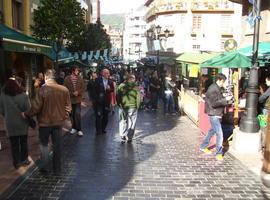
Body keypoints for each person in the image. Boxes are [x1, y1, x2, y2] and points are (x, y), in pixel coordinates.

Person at [24, 69, 71, 174]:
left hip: (44, 123)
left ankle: (44, 167)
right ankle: (57, 169)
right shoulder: (64, 89)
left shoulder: (42, 90)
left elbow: (36, 107)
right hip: (58, 123)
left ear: (46, 77)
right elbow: (68, 107)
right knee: (57, 145)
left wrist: (27, 114)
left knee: (44, 145)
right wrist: (63, 117)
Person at [199, 73, 232, 161]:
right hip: (214, 114)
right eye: (223, 82)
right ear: (220, 80)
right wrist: (226, 100)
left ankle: (203, 146)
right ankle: (218, 153)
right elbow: (214, 103)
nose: (223, 84)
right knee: (220, 134)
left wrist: (224, 96)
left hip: (216, 113)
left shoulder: (216, 87)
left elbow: (217, 99)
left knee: (211, 131)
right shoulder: (213, 88)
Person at [0, 77, 31, 169]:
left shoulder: (2, 95)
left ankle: (16, 163)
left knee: (14, 144)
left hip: (10, 123)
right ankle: (24, 159)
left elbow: (1, 110)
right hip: (22, 122)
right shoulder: (23, 95)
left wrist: (7, 115)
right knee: (23, 142)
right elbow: (28, 109)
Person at [117, 74, 140, 143]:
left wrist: (119, 104)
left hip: (123, 106)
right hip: (133, 107)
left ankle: (122, 135)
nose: (135, 80)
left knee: (123, 120)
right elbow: (138, 97)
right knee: (132, 122)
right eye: (134, 78)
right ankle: (129, 137)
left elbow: (117, 96)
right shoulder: (135, 87)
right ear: (131, 79)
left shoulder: (121, 86)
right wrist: (137, 106)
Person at [92, 69, 114, 135]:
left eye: (108, 73)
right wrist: (95, 99)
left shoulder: (110, 81)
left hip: (106, 102)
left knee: (105, 116)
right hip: (98, 102)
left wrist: (109, 89)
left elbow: (112, 89)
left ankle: (103, 128)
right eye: (107, 73)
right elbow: (93, 90)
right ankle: (98, 130)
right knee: (98, 116)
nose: (108, 74)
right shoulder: (97, 80)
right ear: (103, 74)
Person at [64, 66, 85, 136]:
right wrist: (71, 93)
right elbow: (65, 89)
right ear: (72, 71)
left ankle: (79, 129)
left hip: (78, 99)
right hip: (70, 99)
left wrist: (78, 92)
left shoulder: (80, 78)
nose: (78, 72)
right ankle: (74, 128)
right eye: (76, 70)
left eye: (78, 70)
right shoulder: (67, 79)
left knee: (77, 114)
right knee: (72, 114)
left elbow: (83, 88)